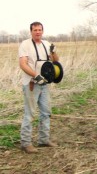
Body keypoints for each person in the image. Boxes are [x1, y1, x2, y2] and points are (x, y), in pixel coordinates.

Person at [19, 21, 59, 153]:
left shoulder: (47, 44)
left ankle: (43, 139)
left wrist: (53, 52)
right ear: (31, 31)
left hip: (45, 84)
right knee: (29, 114)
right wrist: (36, 76)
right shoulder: (25, 44)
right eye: (35, 30)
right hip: (31, 83)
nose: (38, 32)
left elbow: (55, 61)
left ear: (43, 31)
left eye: (40, 30)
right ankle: (26, 143)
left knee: (46, 113)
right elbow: (23, 64)